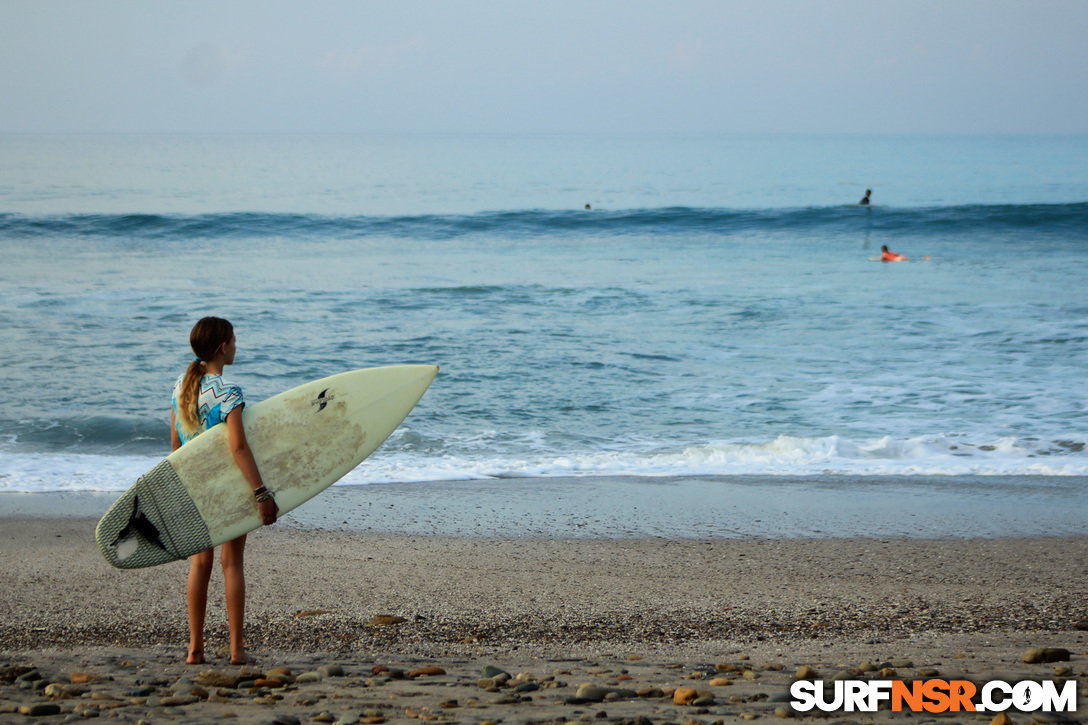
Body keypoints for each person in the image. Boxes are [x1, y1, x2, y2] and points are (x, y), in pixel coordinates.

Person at [170, 316, 278, 665]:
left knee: (200, 564)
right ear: (222, 347)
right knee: (232, 565)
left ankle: (194, 649)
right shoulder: (229, 393)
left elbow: (176, 449)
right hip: (229, 488)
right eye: (233, 339)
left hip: (194, 487)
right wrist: (261, 493)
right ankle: (236, 651)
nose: (236, 344)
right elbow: (239, 449)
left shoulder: (180, 389)